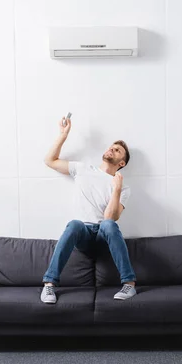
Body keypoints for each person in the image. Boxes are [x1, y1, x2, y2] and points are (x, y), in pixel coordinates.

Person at [40, 115, 137, 304]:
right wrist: (63, 135)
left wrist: (116, 189)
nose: (111, 149)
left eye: (117, 150)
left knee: (108, 224)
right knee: (74, 224)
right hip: (82, 235)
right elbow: (49, 160)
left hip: (103, 237)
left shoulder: (123, 188)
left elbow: (111, 217)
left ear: (121, 163)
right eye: (111, 146)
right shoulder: (82, 169)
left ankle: (129, 284)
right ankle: (49, 285)